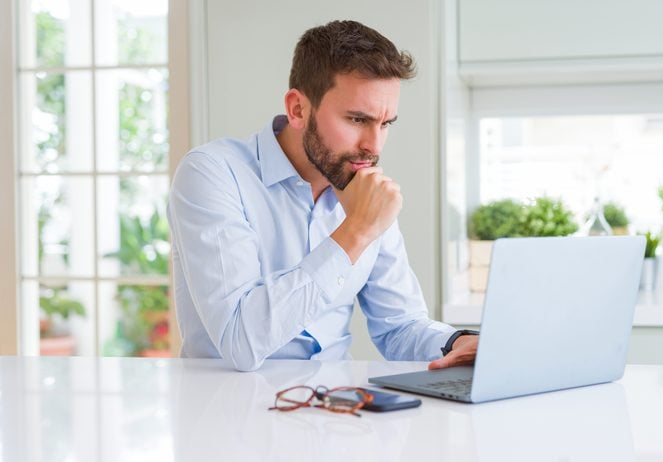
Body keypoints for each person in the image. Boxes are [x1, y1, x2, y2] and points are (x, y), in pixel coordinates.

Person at [167, 20, 478, 372]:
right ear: (298, 109)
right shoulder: (213, 173)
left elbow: (401, 326)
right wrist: (356, 231)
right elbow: (241, 339)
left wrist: (457, 342)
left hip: (336, 402)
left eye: (385, 123)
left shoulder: (364, 190)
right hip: (228, 401)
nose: (374, 146)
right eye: (357, 119)